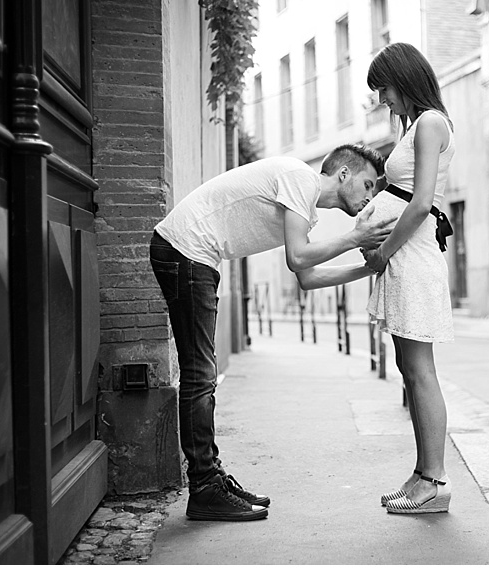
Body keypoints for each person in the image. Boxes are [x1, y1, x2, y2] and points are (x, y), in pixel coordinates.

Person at [150, 144, 392, 521]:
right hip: (186, 250)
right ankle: (204, 488)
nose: (369, 197)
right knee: (200, 375)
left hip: (194, 255)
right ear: (344, 174)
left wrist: (367, 269)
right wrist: (355, 240)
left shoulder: (305, 209)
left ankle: (210, 477)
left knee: (202, 374)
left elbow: (307, 278)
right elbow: (297, 258)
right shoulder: (299, 178)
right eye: (368, 184)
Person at [361, 42, 456, 514]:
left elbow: (420, 204)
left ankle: (435, 478)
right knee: (408, 368)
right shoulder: (416, 127)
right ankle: (422, 473)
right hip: (406, 258)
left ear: (405, 78)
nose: (384, 100)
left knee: (420, 370)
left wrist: (382, 253)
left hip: (411, 258)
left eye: (385, 88)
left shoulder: (431, 123)